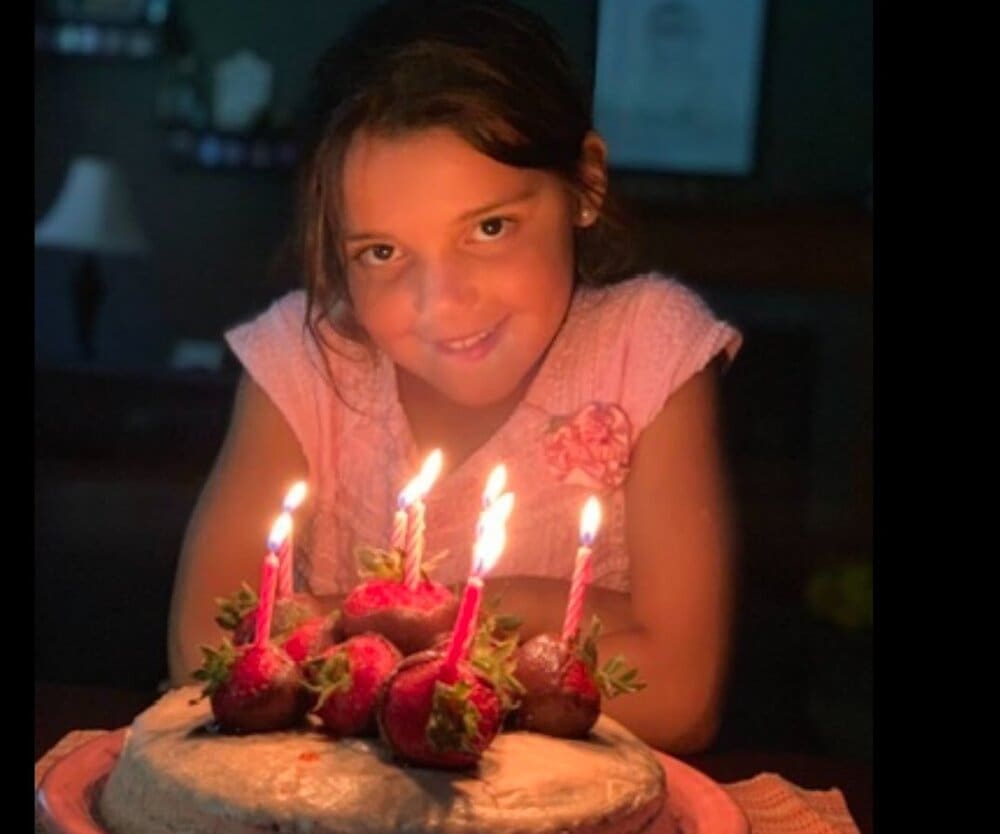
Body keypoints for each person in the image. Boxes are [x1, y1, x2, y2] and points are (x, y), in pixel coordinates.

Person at [167, 0, 741, 754]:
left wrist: (424, 615)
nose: (441, 304)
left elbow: (680, 695)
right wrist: (559, 621)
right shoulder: (305, 363)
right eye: (382, 252)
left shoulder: (649, 351)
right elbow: (205, 663)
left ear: (585, 184)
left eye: (489, 228)